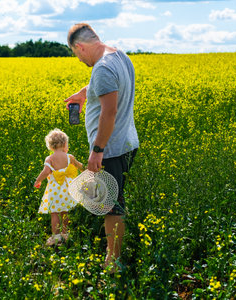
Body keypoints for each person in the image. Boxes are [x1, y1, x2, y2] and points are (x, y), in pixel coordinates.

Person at [64, 23, 139, 272]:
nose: (79, 59)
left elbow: (109, 112)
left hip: (111, 148)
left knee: (111, 206)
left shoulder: (102, 68)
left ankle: (113, 261)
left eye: (76, 54)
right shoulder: (118, 55)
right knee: (108, 199)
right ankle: (111, 251)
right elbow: (110, 86)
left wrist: (97, 151)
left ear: (80, 46)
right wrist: (86, 93)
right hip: (125, 142)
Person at [34, 128, 85, 246]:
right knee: (65, 211)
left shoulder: (50, 158)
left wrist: (38, 180)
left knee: (54, 213)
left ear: (51, 146)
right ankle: (65, 233)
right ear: (64, 144)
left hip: (55, 190)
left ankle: (56, 236)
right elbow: (79, 166)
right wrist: (87, 170)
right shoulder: (69, 157)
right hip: (67, 190)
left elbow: (46, 171)